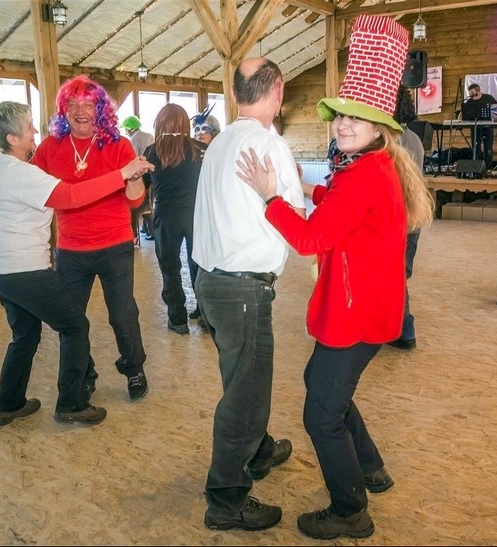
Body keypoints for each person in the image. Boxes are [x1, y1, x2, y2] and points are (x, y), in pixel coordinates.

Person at [237, 15, 435, 540]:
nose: (343, 124)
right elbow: (350, 212)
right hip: (369, 307)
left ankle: (351, 510)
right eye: (341, 115)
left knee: (320, 415)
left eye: (356, 118)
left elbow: (309, 239)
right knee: (323, 389)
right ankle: (370, 468)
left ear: (379, 128)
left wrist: (272, 197)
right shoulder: (373, 168)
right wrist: (311, 190)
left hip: (356, 314)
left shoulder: (363, 175)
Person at [0, 75, 153, 401]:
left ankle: (134, 368)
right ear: (64, 111)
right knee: (72, 321)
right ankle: (84, 375)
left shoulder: (119, 145)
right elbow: (22, 183)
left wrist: (134, 178)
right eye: (73, 104)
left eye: (88, 104)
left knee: (123, 314)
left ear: (100, 110)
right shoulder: (49, 148)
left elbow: (135, 201)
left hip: (115, 245)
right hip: (71, 249)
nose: (80, 111)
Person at [193, 57, 305, 532]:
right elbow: (296, 223)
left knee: (240, 379)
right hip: (242, 288)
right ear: (277, 89)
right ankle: (226, 499)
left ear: (236, 91)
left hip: (210, 281)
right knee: (246, 395)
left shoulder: (218, 141)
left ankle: (257, 450)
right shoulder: (269, 144)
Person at [141, 104, 207, 334]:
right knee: (199, 263)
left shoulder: (151, 152)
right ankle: (205, 314)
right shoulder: (200, 149)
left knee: (169, 267)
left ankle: (177, 318)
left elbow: (142, 188)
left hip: (165, 216)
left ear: (159, 124)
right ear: (185, 123)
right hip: (195, 214)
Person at [389, 85, 426, 351]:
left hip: (394, 218)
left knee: (393, 276)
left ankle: (404, 329)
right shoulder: (414, 138)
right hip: (413, 219)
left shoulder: (387, 140)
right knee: (398, 274)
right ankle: (400, 327)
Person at [121, 115, 156, 244]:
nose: (126, 132)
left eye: (126, 129)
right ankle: (149, 230)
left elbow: (132, 160)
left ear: (130, 129)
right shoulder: (149, 136)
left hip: (139, 176)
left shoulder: (132, 140)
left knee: (137, 206)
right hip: (152, 174)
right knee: (148, 205)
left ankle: (136, 236)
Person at [462, 83, 497, 170]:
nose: (471, 96)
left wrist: (493, 116)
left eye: (473, 93)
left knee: (488, 148)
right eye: (470, 94)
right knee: (476, 148)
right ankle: (477, 169)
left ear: (478, 91)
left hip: (487, 127)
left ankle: (488, 168)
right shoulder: (469, 102)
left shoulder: (488, 98)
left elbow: (496, 108)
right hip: (475, 128)